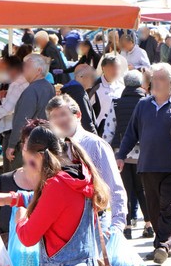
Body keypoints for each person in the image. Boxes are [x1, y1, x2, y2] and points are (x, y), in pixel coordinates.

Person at [0, 126, 110, 266]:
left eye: (30, 162)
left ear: (40, 156)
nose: (30, 168)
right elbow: (52, 203)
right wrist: (11, 198)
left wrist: (20, 216)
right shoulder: (79, 175)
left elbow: (27, 236)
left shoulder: (56, 184)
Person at [116, 64, 171, 263]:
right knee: (154, 208)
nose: (155, 82)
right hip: (148, 165)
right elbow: (131, 133)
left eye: (160, 79)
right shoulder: (143, 105)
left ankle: (163, 245)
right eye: (153, 79)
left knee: (170, 207)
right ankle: (161, 243)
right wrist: (121, 155)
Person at [45, 95, 127, 235]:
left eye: (63, 114)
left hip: (96, 222)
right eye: (54, 116)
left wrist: (117, 225)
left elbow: (114, 187)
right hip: (62, 226)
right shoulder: (50, 149)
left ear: (78, 115)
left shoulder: (95, 145)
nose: (59, 120)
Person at [0, 119, 50, 266]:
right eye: (27, 143)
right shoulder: (5, 181)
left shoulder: (55, 183)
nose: (30, 150)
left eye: (36, 146)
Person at [101, 71, 151, 240]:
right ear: (140, 84)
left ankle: (127, 226)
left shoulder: (116, 104)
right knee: (142, 190)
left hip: (121, 154)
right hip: (143, 154)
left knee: (125, 190)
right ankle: (148, 224)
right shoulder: (147, 102)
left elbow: (109, 130)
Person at [6, 54, 56, 166]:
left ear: (38, 70)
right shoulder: (49, 87)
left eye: (27, 66)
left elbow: (22, 120)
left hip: (28, 144)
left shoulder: (32, 90)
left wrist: (12, 145)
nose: (24, 69)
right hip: (43, 141)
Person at [0, 55, 29, 172]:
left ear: (12, 69)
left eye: (2, 70)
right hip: (16, 130)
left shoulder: (17, 83)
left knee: (12, 171)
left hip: (13, 131)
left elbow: (9, 108)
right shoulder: (20, 82)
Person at [90, 54, 124, 135]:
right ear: (103, 68)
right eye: (112, 68)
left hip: (117, 129)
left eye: (117, 68)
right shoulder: (94, 87)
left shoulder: (122, 86)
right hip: (100, 130)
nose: (115, 71)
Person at [61, 64, 98, 135]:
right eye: (92, 76)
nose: (94, 79)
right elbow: (86, 122)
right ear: (81, 77)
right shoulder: (78, 93)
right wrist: (96, 138)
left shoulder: (73, 90)